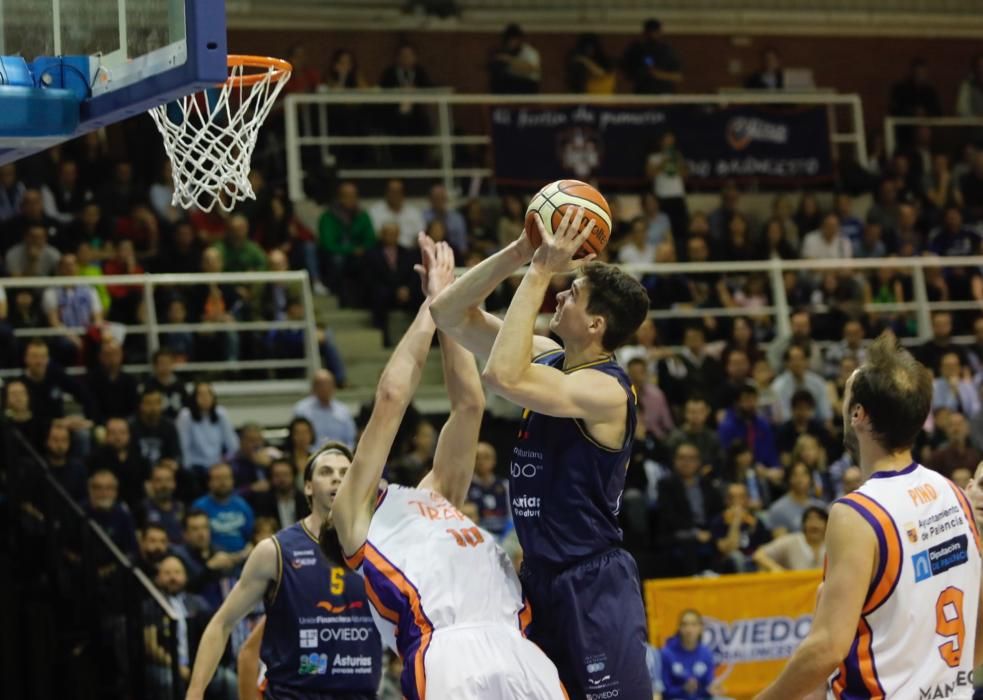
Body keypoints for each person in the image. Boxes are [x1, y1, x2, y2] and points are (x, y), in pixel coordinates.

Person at [431, 208, 652, 698]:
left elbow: (502, 378)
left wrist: (540, 271)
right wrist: (519, 253)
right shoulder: (546, 353)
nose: (559, 292)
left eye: (572, 293)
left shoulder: (607, 392)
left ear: (595, 324)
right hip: (537, 579)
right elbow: (446, 313)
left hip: (593, 581)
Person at [331, 234, 565, 698]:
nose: (339, 471)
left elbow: (468, 406)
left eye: (340, 464)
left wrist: (448, 314)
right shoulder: (354, 520)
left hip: (516, 643)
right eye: (327, 472)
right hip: (448, 652)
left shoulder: (431, 497)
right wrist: (433, 308)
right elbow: (392, 398)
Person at [755, 334, 983, 699]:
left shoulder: (856, 513)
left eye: (846, 394)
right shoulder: (952, 492)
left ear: (858, 415)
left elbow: (827, 647)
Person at [184, 446, 382, 700]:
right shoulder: (275, 551)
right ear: (308, 487)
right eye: (326, 471)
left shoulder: (380, 549)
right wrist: (195, 691)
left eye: (346, 472)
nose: (337, 477)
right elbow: (222, 623)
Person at [661, 610, 719, 700]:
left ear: (701, 628)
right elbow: (664, 691)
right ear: (679, 628)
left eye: (693, 624)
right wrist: (683, 689)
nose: (689, 629)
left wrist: (713, 689)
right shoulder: (667, 653)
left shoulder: (706, 653)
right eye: (685, 624)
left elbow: (709, 685)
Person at [292, 370, 357, 448]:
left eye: (328, 384)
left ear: (334, 386)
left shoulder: (343, 410)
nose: (325, 388)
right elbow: (297, 439)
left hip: (340, 456)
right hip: (312, 456)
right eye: (321, 385)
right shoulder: (302, 409)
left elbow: (351, 439)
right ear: (313, 387)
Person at [753, 506, 827, 572]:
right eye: (810, 520)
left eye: (819, 520)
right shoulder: (791, 541)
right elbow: (759, 555)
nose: (814, 524)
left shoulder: (832, 544)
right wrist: (775, 568)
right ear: (803, 524)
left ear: (827, 524)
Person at [621, 18, 683, 94]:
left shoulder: (667, 51)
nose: (652, 35)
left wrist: (658, 74)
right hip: (642, 93)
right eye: (649, 32)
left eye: (655, 32)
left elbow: (677, 77)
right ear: (644, 33)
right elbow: (627, 73)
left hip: (664, 94)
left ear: (660, 32)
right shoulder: (637, 50)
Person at [465, 441, 511, 538]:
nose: (481, 461)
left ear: (494, 461)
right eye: (477, 457)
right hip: (478, 534)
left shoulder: (505, 485)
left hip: (504, 534)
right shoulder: (465, 486)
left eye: (486, 457)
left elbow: (512, 517)